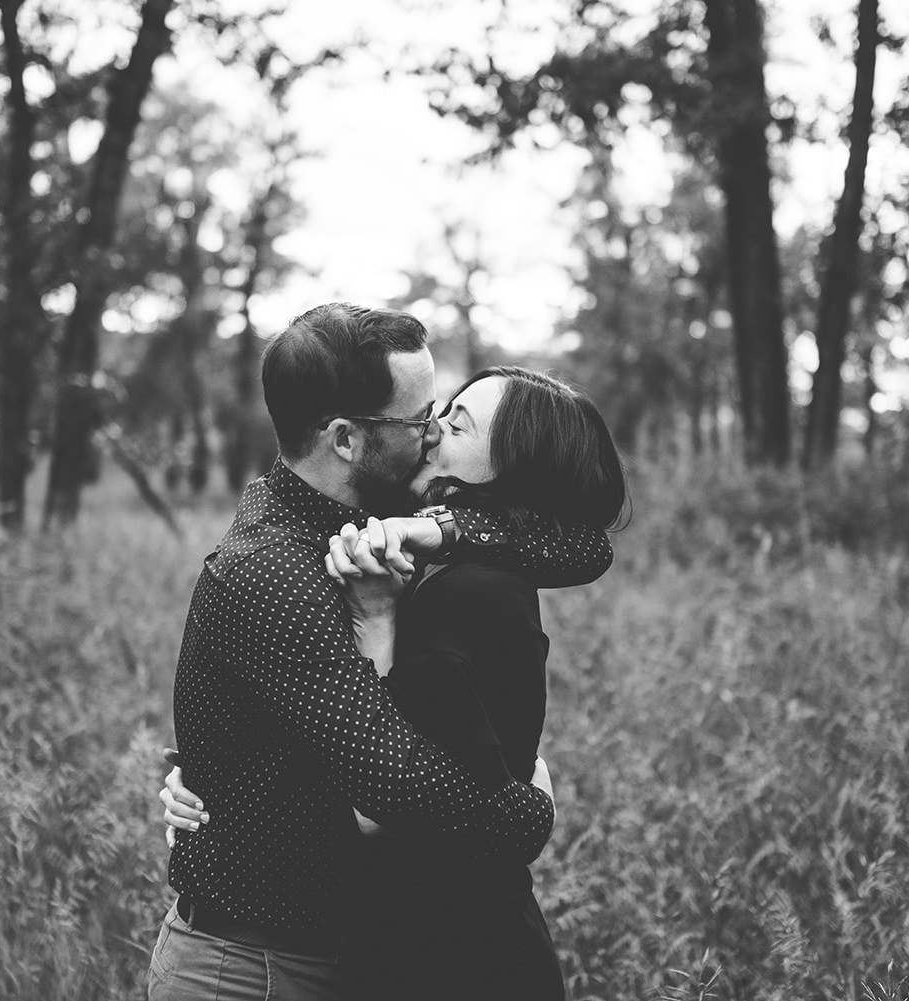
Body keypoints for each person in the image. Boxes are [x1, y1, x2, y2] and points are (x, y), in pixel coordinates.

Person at [146, 304, 611, 1001]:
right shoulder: (274, 571)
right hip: (256, 970)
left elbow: (581, 540)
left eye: (447, 417)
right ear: (345, 439)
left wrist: (444, 530)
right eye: (422, 416)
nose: (431, 433)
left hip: (350, 958)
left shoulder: (372, 522)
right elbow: (403, 789)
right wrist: (533, 812)